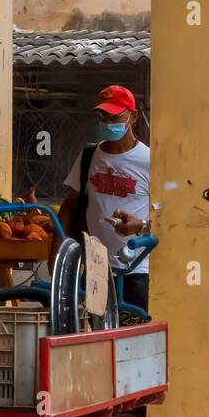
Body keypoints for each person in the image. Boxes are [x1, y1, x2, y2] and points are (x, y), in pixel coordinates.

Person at [56, 85, 151, 316]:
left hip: (136, 270)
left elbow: (171, 218)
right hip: (95, 267)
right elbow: (70, 206)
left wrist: (140, 227)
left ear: (133, 116)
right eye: (103, 116)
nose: (109, 122)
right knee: (93, 336)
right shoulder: (89, 156)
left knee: (132, 335)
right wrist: (57, 258)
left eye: (116, 116)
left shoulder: (149, 161)